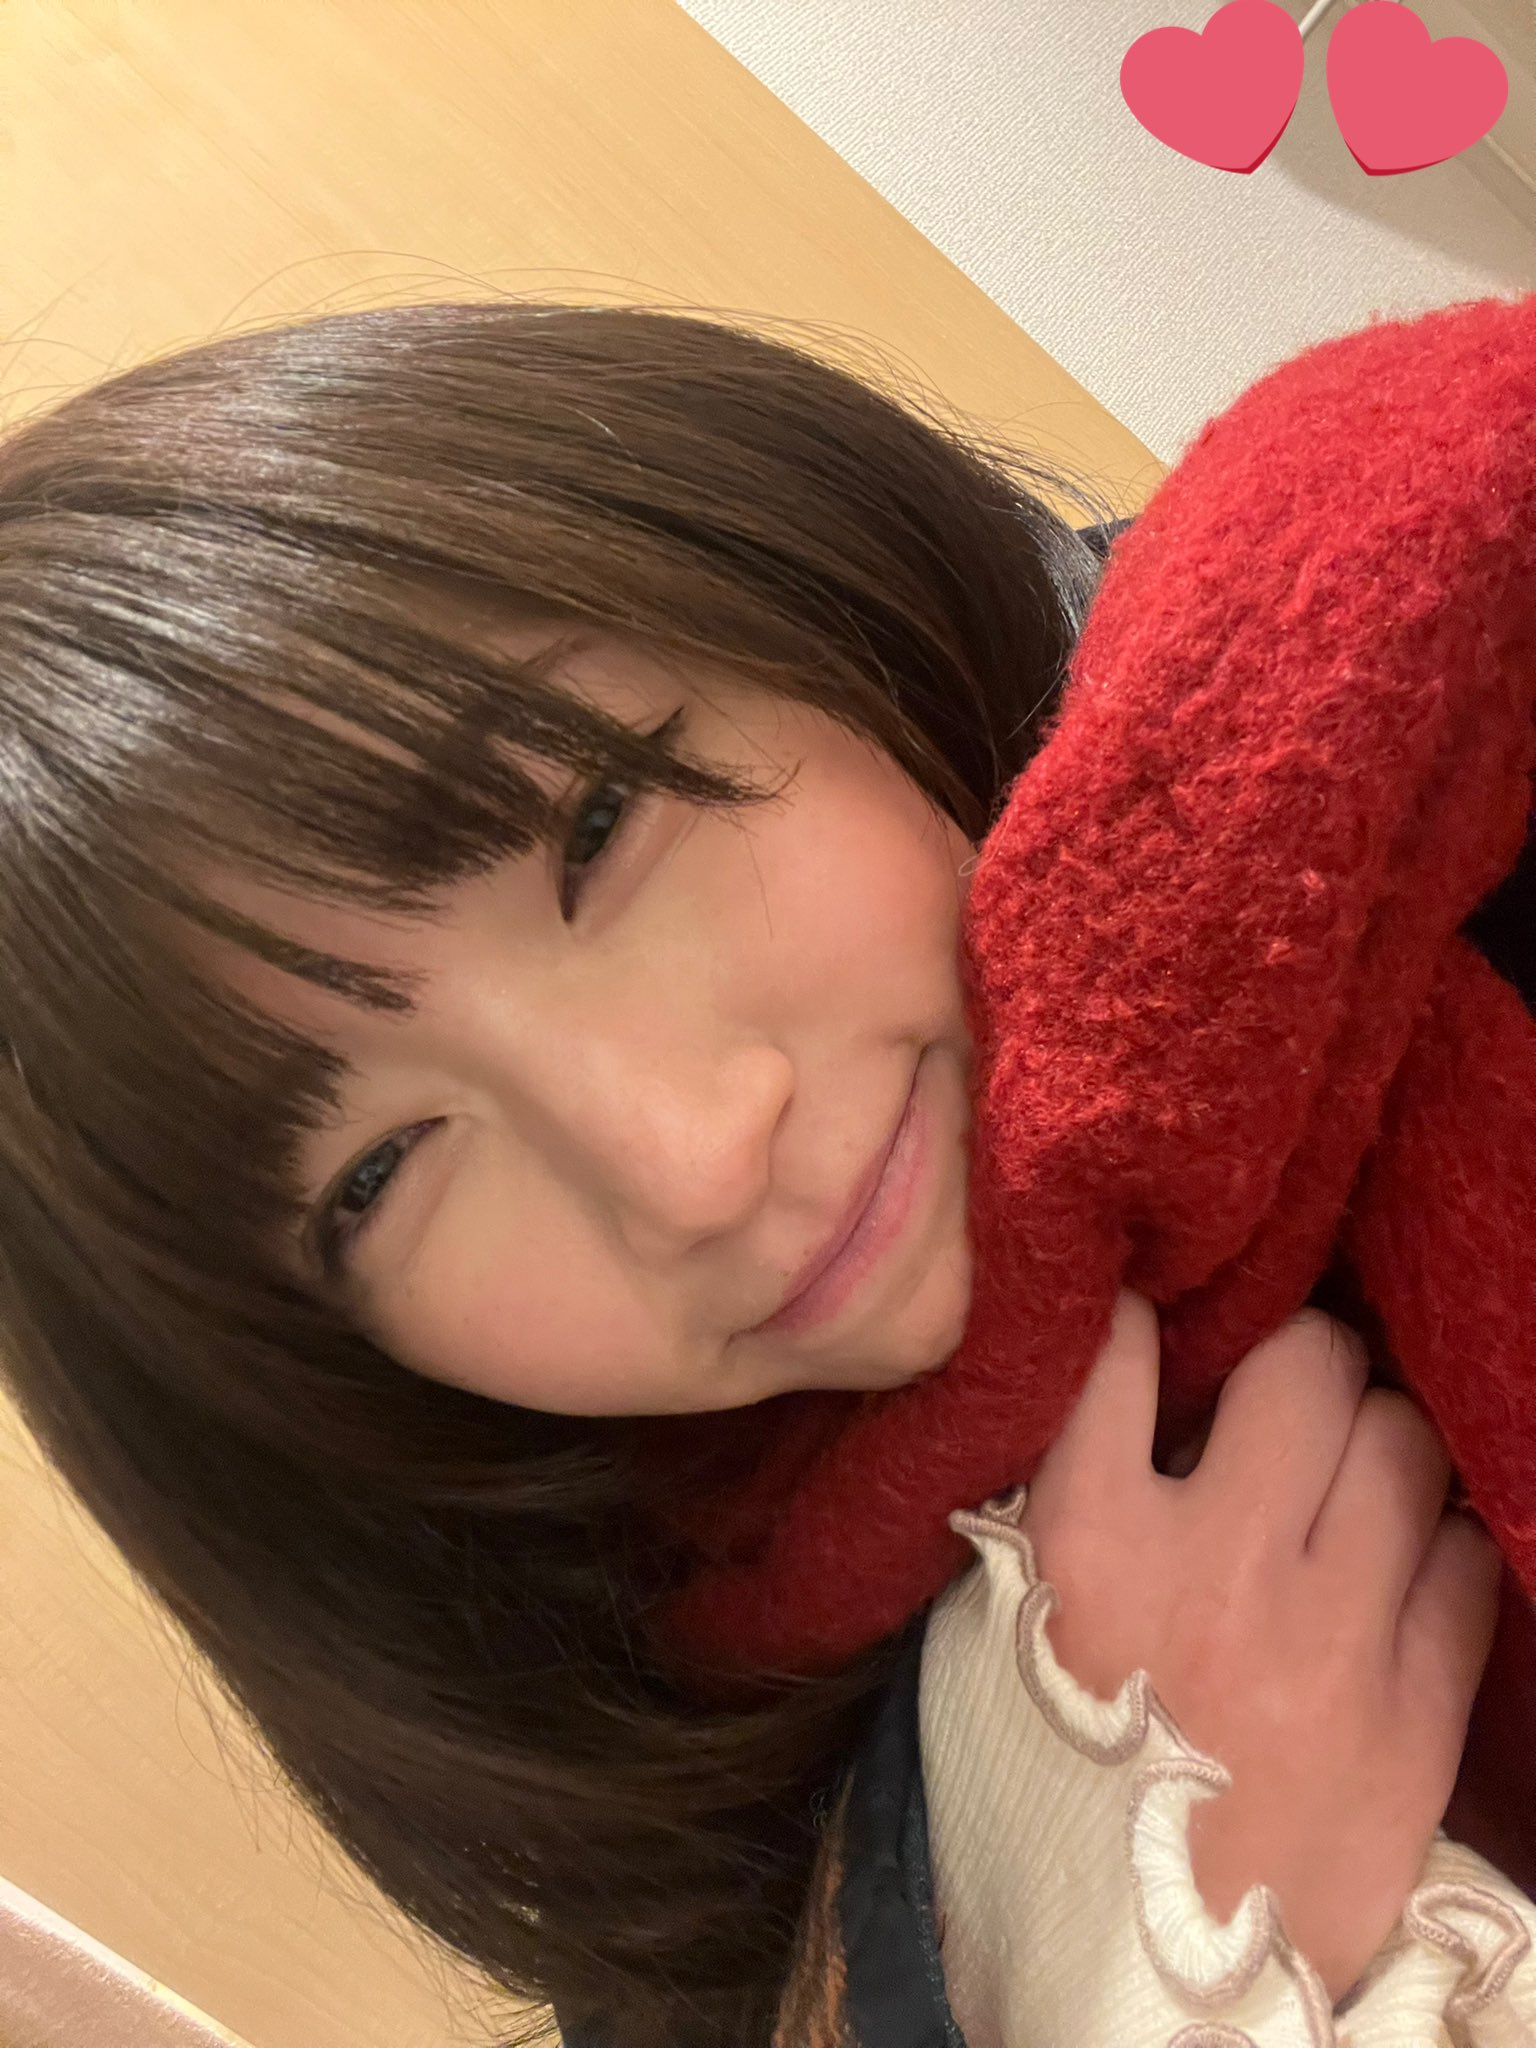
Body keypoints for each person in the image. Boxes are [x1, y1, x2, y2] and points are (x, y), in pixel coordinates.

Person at [0, 300, 1522, 2048]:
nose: (692, 1164)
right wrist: (1072, 1968)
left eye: (597, 829)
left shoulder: (1448, 643)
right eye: (377, 1176)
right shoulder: (702, 1868)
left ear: (804, 599)